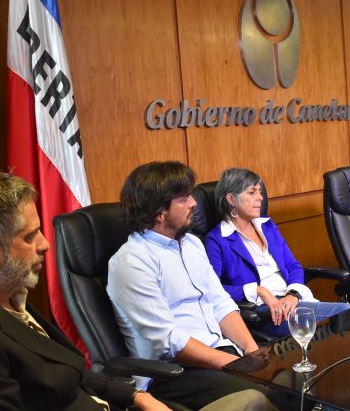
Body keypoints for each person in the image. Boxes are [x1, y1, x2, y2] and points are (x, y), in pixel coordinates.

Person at [0, 171, 168, 410]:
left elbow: (66, 371)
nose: (45, 244)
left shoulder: (2, 292)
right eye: (30, 236)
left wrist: (136, 397)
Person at [107, 161, 292, 410]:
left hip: (220, 354)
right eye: (184, 199)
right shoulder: (131, 262)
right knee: (261, 397)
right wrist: (234, 364)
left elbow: (220, 303)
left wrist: (251, 352)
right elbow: (171, 341)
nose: (194, 203)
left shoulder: (192, 244)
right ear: (159, 213)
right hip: (173, 372)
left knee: (295, 378)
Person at [205, 168, 350, 337]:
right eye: (252, 192)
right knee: (344, 313)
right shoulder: (217, 239)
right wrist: (258, 291)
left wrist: (293, 294)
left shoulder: (266, 225)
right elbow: (212, 290)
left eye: (259, 191)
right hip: (263, 312)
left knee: (345, 317)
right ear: (231, 199)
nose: (260, 197)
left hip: (292, 301)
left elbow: (293, 266)